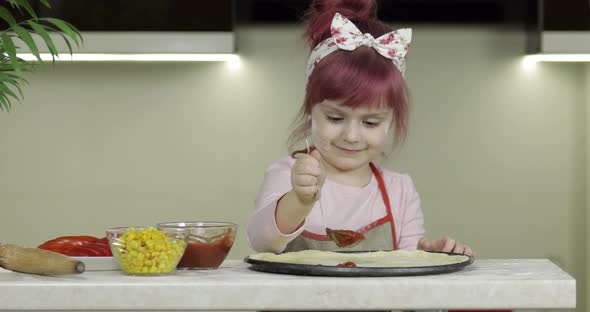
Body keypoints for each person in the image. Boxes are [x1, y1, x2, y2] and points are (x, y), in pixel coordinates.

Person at [246, 0, 475, 257]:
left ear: (390, 120)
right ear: (311, 110)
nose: (352, 136)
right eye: (335, 118)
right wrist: (299, 201)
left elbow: (409, 264)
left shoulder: (399, 190)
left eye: (370, 123)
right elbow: (261, 242)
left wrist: (430, 254)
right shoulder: (288, 174)